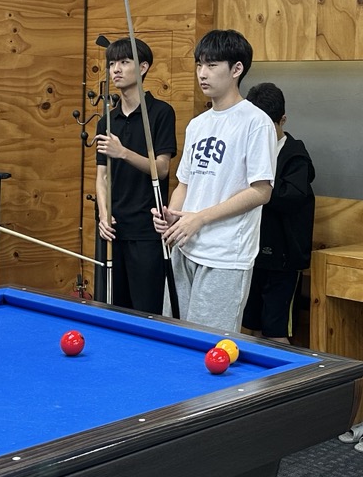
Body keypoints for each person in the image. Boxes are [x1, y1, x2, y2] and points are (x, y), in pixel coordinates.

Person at [154, 30, 276, 333]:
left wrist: (200, 218)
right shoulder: (197, 124)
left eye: (212, 65)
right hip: (185, 247)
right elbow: (184, 183)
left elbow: (261, 191)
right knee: (173, 336)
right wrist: (172, 216)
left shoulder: (256, 122)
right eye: (199, 65)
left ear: (236, 69)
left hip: (225, 256)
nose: (202, 73)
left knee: (208, 345)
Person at [94, 36, 177, 314]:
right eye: (112, 63)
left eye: (124, 62)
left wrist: (123, 152)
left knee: (146, 311)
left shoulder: (161, 113)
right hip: (113, 229)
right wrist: (103, 215)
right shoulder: (106, 120)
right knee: (113, 309)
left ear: (143, 67)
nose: (116, 69)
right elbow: (102, 176)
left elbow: (162, 168)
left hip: (147, 230)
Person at [240, 83, 315, 344]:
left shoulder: (295, 155)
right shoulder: (246, 149)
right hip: (252, 253)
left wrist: (260, 185)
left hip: (283, 258)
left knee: (276, 331)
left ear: (282, 120)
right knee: (251, 326)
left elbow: (291, 196)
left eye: (267, 126)